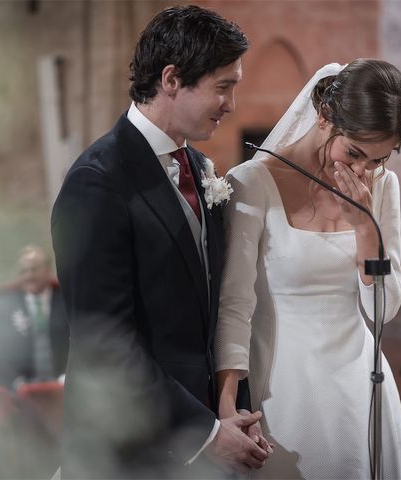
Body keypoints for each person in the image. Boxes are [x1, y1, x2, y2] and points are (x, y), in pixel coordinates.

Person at [51, 5, 269, 478]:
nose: (231, 104)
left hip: (200, 439)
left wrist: (230, 411)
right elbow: (103, 342)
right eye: (223, 87)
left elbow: (211, 310)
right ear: (171, 79)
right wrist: (205, 434)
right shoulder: (97, 182)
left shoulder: (199, 168)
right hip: (129, 451)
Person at [215, 59, 401, 479]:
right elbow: (234, 306)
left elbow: (382, 311)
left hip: (361, 381)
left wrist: (364, 227)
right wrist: (227, 404)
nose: (363, 171)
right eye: (355, 152)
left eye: (377, 159)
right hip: (284, 383)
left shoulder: (382, 187)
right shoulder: (252, 182)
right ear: (324, 117)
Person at [0, 245, 69, 389]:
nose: (29, 276)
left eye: (34, 270)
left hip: (64, 387)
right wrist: (17, 384)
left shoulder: (65, 300)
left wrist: (68, 378)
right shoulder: (6, 305)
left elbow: (80, 343)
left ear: (47, 270)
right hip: (22, 390)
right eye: (23, 272)